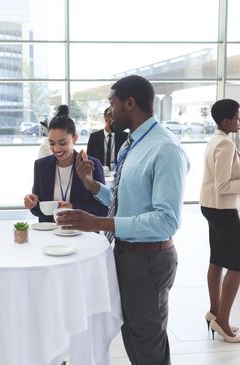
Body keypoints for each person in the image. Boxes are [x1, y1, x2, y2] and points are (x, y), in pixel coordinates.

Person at [55, 75, 190, 365]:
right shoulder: (133, 143)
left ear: (130, 103)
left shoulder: (164, 148)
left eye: (112, 103)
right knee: (136, 340)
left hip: (148, 261)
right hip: (128, 256)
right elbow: (128, 202)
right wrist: (93, 186)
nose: (110, 111)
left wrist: (98, 223)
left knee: (148, 346)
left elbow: (166, 221)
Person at [200, 98, 240, 343]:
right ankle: (223, 322)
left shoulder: (216, 139)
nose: (239, 120)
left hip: (210, 206)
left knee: (217, 259)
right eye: (237, 116)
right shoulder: (225, 144)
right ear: (225, 120)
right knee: (237, 265)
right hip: (222, 208)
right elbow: (223, 185)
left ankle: (214, 312)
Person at [25, 115, 108, 222]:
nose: (56, 148)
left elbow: (102, 210)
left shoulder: (91, 165)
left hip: (81, 234)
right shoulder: (41, 166)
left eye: (63, 143)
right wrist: (33, 204)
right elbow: (38, 211)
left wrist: (73, 208)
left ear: (75, 138)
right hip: (50, 233)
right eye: (52, 143)